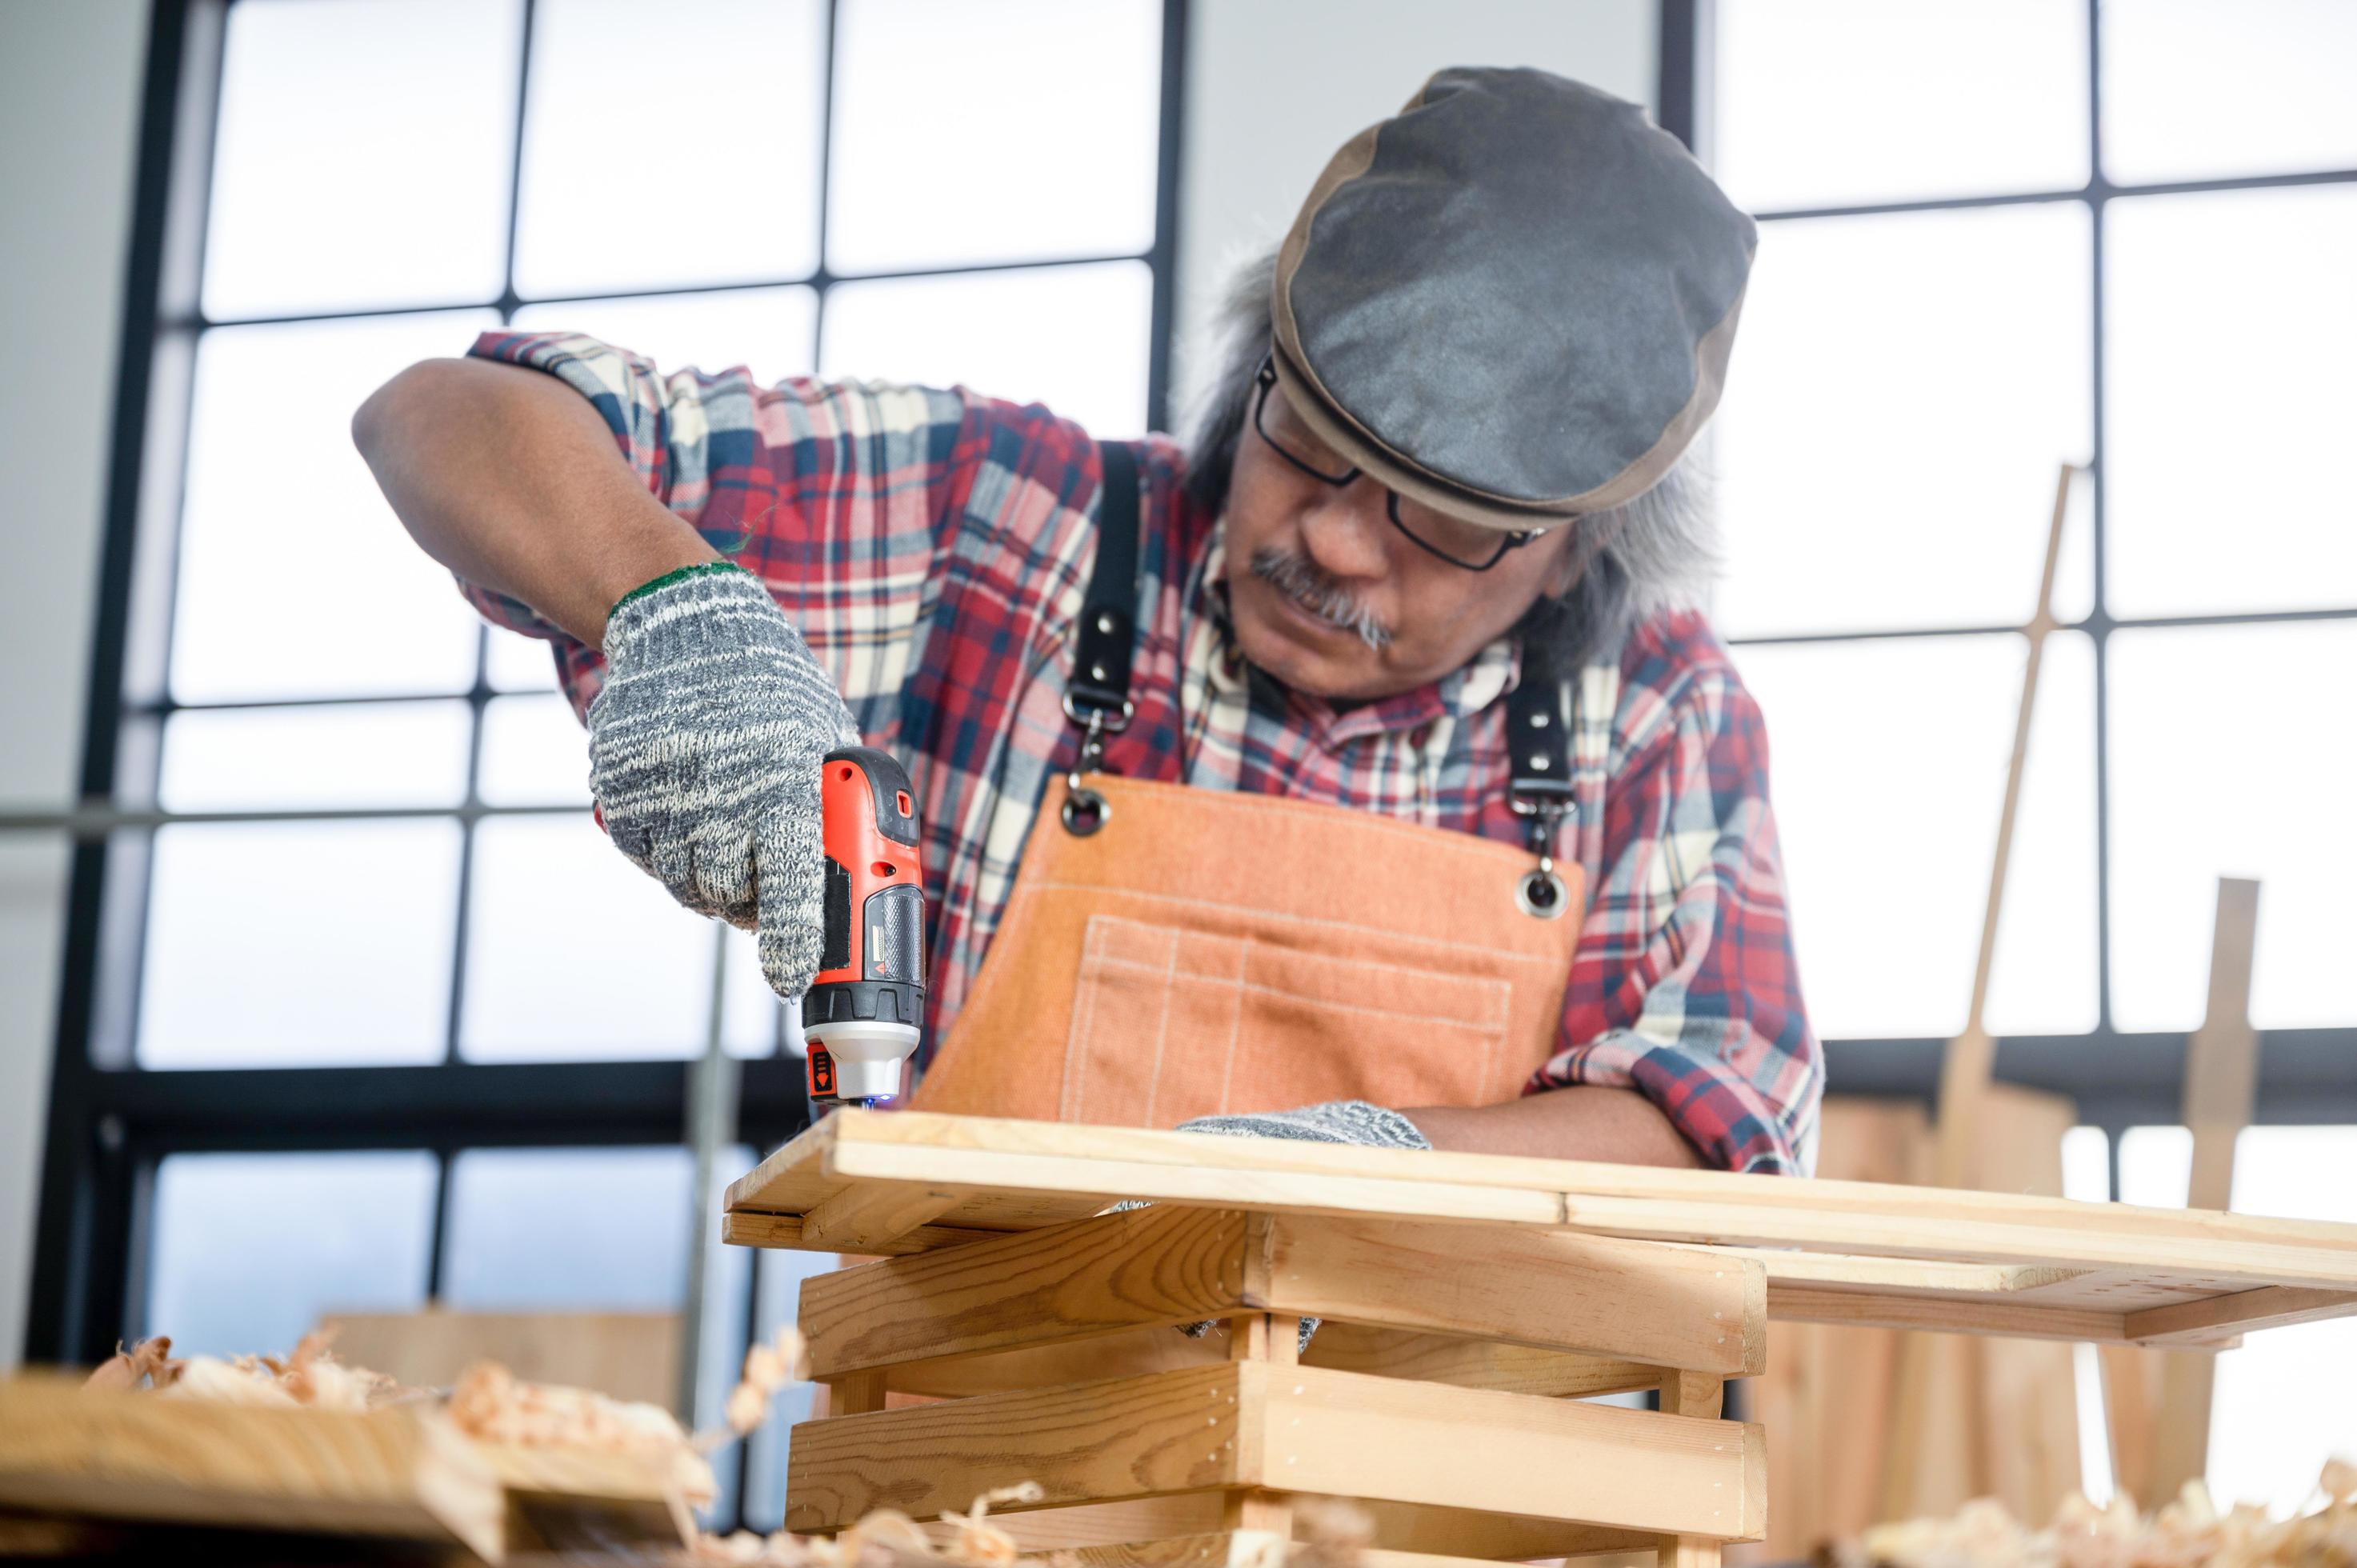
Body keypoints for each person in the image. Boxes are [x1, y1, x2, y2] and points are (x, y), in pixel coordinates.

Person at [355, 67, 1820, 1174]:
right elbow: (444, 417)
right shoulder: (1012, 530)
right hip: (966, 1496)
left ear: (1575, 557)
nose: (1329, 539)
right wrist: (670, 606)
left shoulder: (1653, 711)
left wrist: (1368, 1180)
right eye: (1306, 439)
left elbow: (1715, 1116)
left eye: (1437, 520)